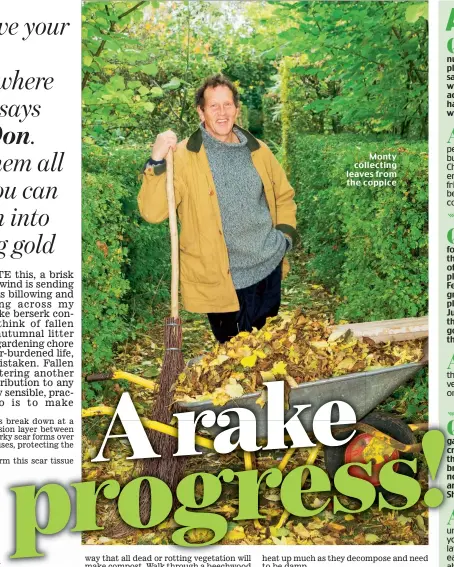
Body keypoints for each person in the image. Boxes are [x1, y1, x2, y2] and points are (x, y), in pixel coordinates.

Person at [138, 74, 297, 343]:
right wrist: (155, 160)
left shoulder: (259, 151)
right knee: (232, 358)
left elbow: (283, 195)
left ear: (236, 109)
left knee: (267, 351)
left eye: (227, 105)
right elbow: (153, 212)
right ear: (201, 112)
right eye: (213, 106)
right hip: (221, 280)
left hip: (268, 265)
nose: (222, 112)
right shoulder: (183, 157)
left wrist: (285, 238)